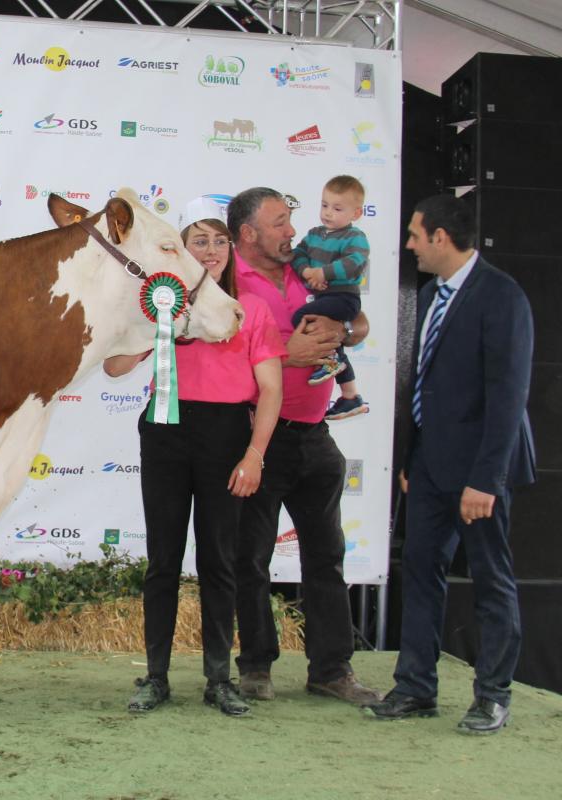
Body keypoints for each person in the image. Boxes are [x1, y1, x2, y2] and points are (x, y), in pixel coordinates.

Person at [105, 197, 284, 717]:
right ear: (181, 249)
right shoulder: (161, 302)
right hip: (164, 430)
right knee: (162, 560)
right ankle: (155, 677)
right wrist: (151, 329)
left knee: (219, 562)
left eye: (218, 240)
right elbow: (115, 368)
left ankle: (218, 679)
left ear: (232, 247)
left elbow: (270, 390)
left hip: (226, 436)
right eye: (197, 241)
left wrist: (254, 456)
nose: (209, 251)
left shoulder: (252, 306)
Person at [365, 195, 535, 735]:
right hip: (432, 468)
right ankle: (416, 687)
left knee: (490, 581)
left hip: (480, 474)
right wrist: (414, 459)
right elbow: (426, 388)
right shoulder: (434, 293)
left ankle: (493, 696)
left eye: (415, 235)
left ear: (441, 237)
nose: (410, 245)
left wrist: (485, 480)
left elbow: (507, 396)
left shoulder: (502, 295)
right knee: (419, 574)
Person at [226, 187, 380, 706]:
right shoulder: (225, 281)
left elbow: (357, 320)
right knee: (251, 559)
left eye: (291, 220)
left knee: (327, 557)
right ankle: (255, 668)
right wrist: (282, 352)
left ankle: (332, 670)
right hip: (258, 438)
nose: (292, 231)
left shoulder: (308, 267)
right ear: (248, 234)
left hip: (316, 436)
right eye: (278, 223)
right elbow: (213, 357)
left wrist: (349, 329)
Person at [291, 175, 371, 421]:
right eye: (324, 205)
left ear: (356, 213)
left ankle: (332, 360)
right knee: (323, 334)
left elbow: (353, 263)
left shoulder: (355, 237)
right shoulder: (314, 234)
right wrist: (307, 271)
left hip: (344, 298)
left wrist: (322, 273)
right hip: (323, 296)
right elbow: (298, 254)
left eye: (337, 208)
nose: (328, 213)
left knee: (302, 317)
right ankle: (349, 395)